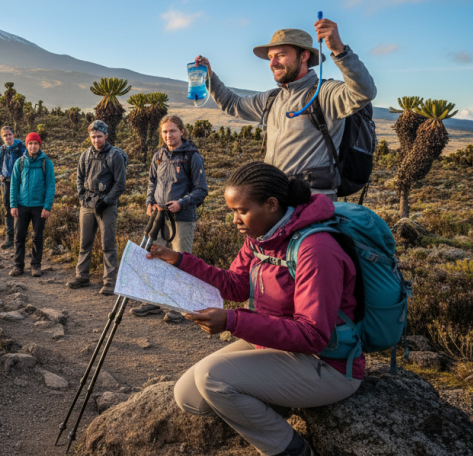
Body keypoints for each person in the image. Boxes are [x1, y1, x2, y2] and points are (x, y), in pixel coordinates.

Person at [151, 161, 363, 456]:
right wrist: (180, 261)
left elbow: (313, 335)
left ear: (272, 204)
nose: (235, 220)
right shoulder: (262, 239)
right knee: (189, 396)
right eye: (232, 211)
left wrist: (231, 321)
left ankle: (291, 449)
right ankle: (266, 401)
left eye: (242, 210)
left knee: (212, 378)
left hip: (328, 363)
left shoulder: (317, 250)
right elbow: (237, 286)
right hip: (277, 347)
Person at [198, 19, 376, 198]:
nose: (272, 63)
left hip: (313, 202)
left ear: (304, 56)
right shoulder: (272, 99)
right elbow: (233, 104)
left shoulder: (324, 94)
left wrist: (340, 50)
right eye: (270, 57)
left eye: (281, 55)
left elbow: (364, 92)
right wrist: (209, 76)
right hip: (276, 200)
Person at [68, 120, 127, 295]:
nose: (96, 140)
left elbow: (120, 184)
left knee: (108, 243)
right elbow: (79, 178)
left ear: (106, 136)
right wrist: (82, 198)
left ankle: (109, 281)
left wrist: (106, 201)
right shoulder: (85, 155)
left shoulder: (115, 156)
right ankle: (82, 276)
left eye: (99, 137)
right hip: (87, 205)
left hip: (106, 206)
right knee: (85, 242)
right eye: (93, 137)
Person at [146, 115, 208, 254]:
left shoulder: (192, 156)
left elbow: (201, 190)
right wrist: (149, 202)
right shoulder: (158, 156)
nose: (169, 135)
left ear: (182, 131)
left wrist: (181, 203)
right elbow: (152, 182)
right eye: (165, 132)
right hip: (158, 217)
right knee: (154, 258)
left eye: (172, 131)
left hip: (182, 219)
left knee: (181, 262)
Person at [9, 133, 55, 277]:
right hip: (22, 205)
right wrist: (13, 204)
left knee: (37, 237)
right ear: (26, 145)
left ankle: (36, 266)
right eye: (30, 143)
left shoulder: (46, 163)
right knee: (19, 236)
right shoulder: (20, 162)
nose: (33, 146)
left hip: (39, 206)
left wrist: (47, 207)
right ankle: (18, 265)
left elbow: (50, 186)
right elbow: (14, 185)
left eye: (35, 143)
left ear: (39, 145)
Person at [0, 126, 27, 250]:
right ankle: (9, 238)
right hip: (6, 183)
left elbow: (26, 161)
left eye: (9, 134)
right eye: (5, 135)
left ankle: (20, 236)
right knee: (8, 208)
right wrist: (0, 176)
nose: (8, 137)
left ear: (13, 135)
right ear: (2, 138)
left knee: (21, 207)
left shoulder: (21, 147)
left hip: (20, 182)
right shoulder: (1, 150)